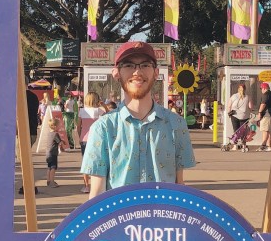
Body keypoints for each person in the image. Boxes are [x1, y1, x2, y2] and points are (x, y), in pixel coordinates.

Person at [82, 42, 196, 197]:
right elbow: (96, 193)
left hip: (163, 213)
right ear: (116, 73)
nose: (137, 72)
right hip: (120, 213)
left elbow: (179, 185)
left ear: (156, 72)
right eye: (129, 65)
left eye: (145, 65)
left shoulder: (176, 124)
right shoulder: (102, 128)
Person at [77, 90, 106, 194]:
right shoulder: (98, 110)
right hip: (96, 139)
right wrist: (103, 105)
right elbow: (109, 114)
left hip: (84, 139)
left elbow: (78, 126)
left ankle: (86, 185)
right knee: (96, 161)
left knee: (85, 162)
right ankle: (96, 184)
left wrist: (80, 136)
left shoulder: (82, 111)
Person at [45, 112, 68, 188]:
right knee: (53, 167)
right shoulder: (56, 134)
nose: (59, 127)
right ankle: (52, 181)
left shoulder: (49, 133)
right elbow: (60, 142)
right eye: (58, 126)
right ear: (54, 127)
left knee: (49, 167)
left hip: (48, 153)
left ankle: (48, 180)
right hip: (53, 153)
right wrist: (63, 146)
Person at [257, 81, 271, 151]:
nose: (261, 90)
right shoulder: (270, 94)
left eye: (261, 88)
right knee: (269, 131)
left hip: (267, 115)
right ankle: (269, 146)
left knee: (265, 130)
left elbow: (263, 104)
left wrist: (260, 112)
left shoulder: (266, 95)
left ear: (264, 88)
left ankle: (263, 145)